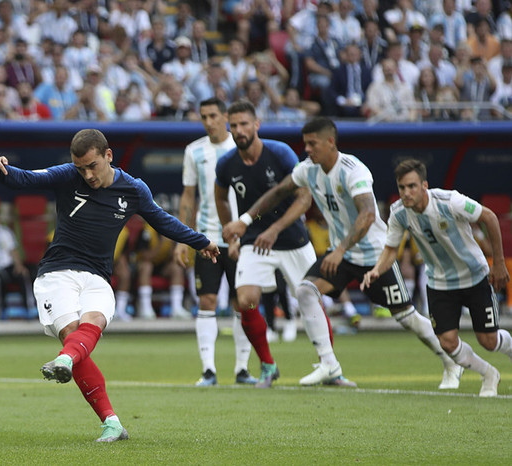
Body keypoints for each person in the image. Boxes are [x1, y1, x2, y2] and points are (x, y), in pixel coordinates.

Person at [0, 129, 219, 442]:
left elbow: (163, 221)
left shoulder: (133, 189)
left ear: (108, 156)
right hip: (57, 274)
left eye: (92, 166)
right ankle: (109, 420)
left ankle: (69, 365)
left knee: (87, 329)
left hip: (97, 277)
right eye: (81, 168)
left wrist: (201, 241)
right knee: (72, 336)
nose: (88, 174)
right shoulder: (68, 175)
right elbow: (25, 179)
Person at [228, 117, 463, 389]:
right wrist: (245, 220)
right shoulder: (308, 170)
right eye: (305, 144)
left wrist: (340, 249)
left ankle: (450, 359)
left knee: (406, 317)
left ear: (330, 142)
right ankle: (329, 365)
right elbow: (279, 192)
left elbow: (367, 214)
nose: (307, 150)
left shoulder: (353, 170)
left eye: (312, 144)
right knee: (306, 290)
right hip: (342, 255)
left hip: (375, 256)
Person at [216, 101, 350, 388]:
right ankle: (267, 365)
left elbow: (304, 198)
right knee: (245, 300)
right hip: (254, 241)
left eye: (244, 124)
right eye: (234, 125)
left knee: (312, 300)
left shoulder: (280, 153)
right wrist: (235, 235)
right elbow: (219, 196)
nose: (238, 130)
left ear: (256, 124)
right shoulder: (226, 163)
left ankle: (330, 367)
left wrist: (275, 229)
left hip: (292, 240)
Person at [361, 159, 512, 397]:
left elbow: (490, 217)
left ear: (424, 185)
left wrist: (499, 264)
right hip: (440, 283)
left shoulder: (450, 201)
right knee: (448, 342)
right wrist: (376, 270)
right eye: (402, 187)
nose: (406, 193)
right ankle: (488, 374)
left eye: (412, 186)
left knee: (488, 341)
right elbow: (391, 249)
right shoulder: (399, 213)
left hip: (474, 277)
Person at [173, 97, 257, 387]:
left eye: (213, 116)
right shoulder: (194, 151)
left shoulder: (243, 147)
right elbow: (188, 195)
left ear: (225, 117)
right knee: (206, 300)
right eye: (203, 116)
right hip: (207, 238)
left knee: (242, 301)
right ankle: (208, 369)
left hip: (241, 239)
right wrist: (184, 238)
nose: (208, 122)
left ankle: (242, 368)